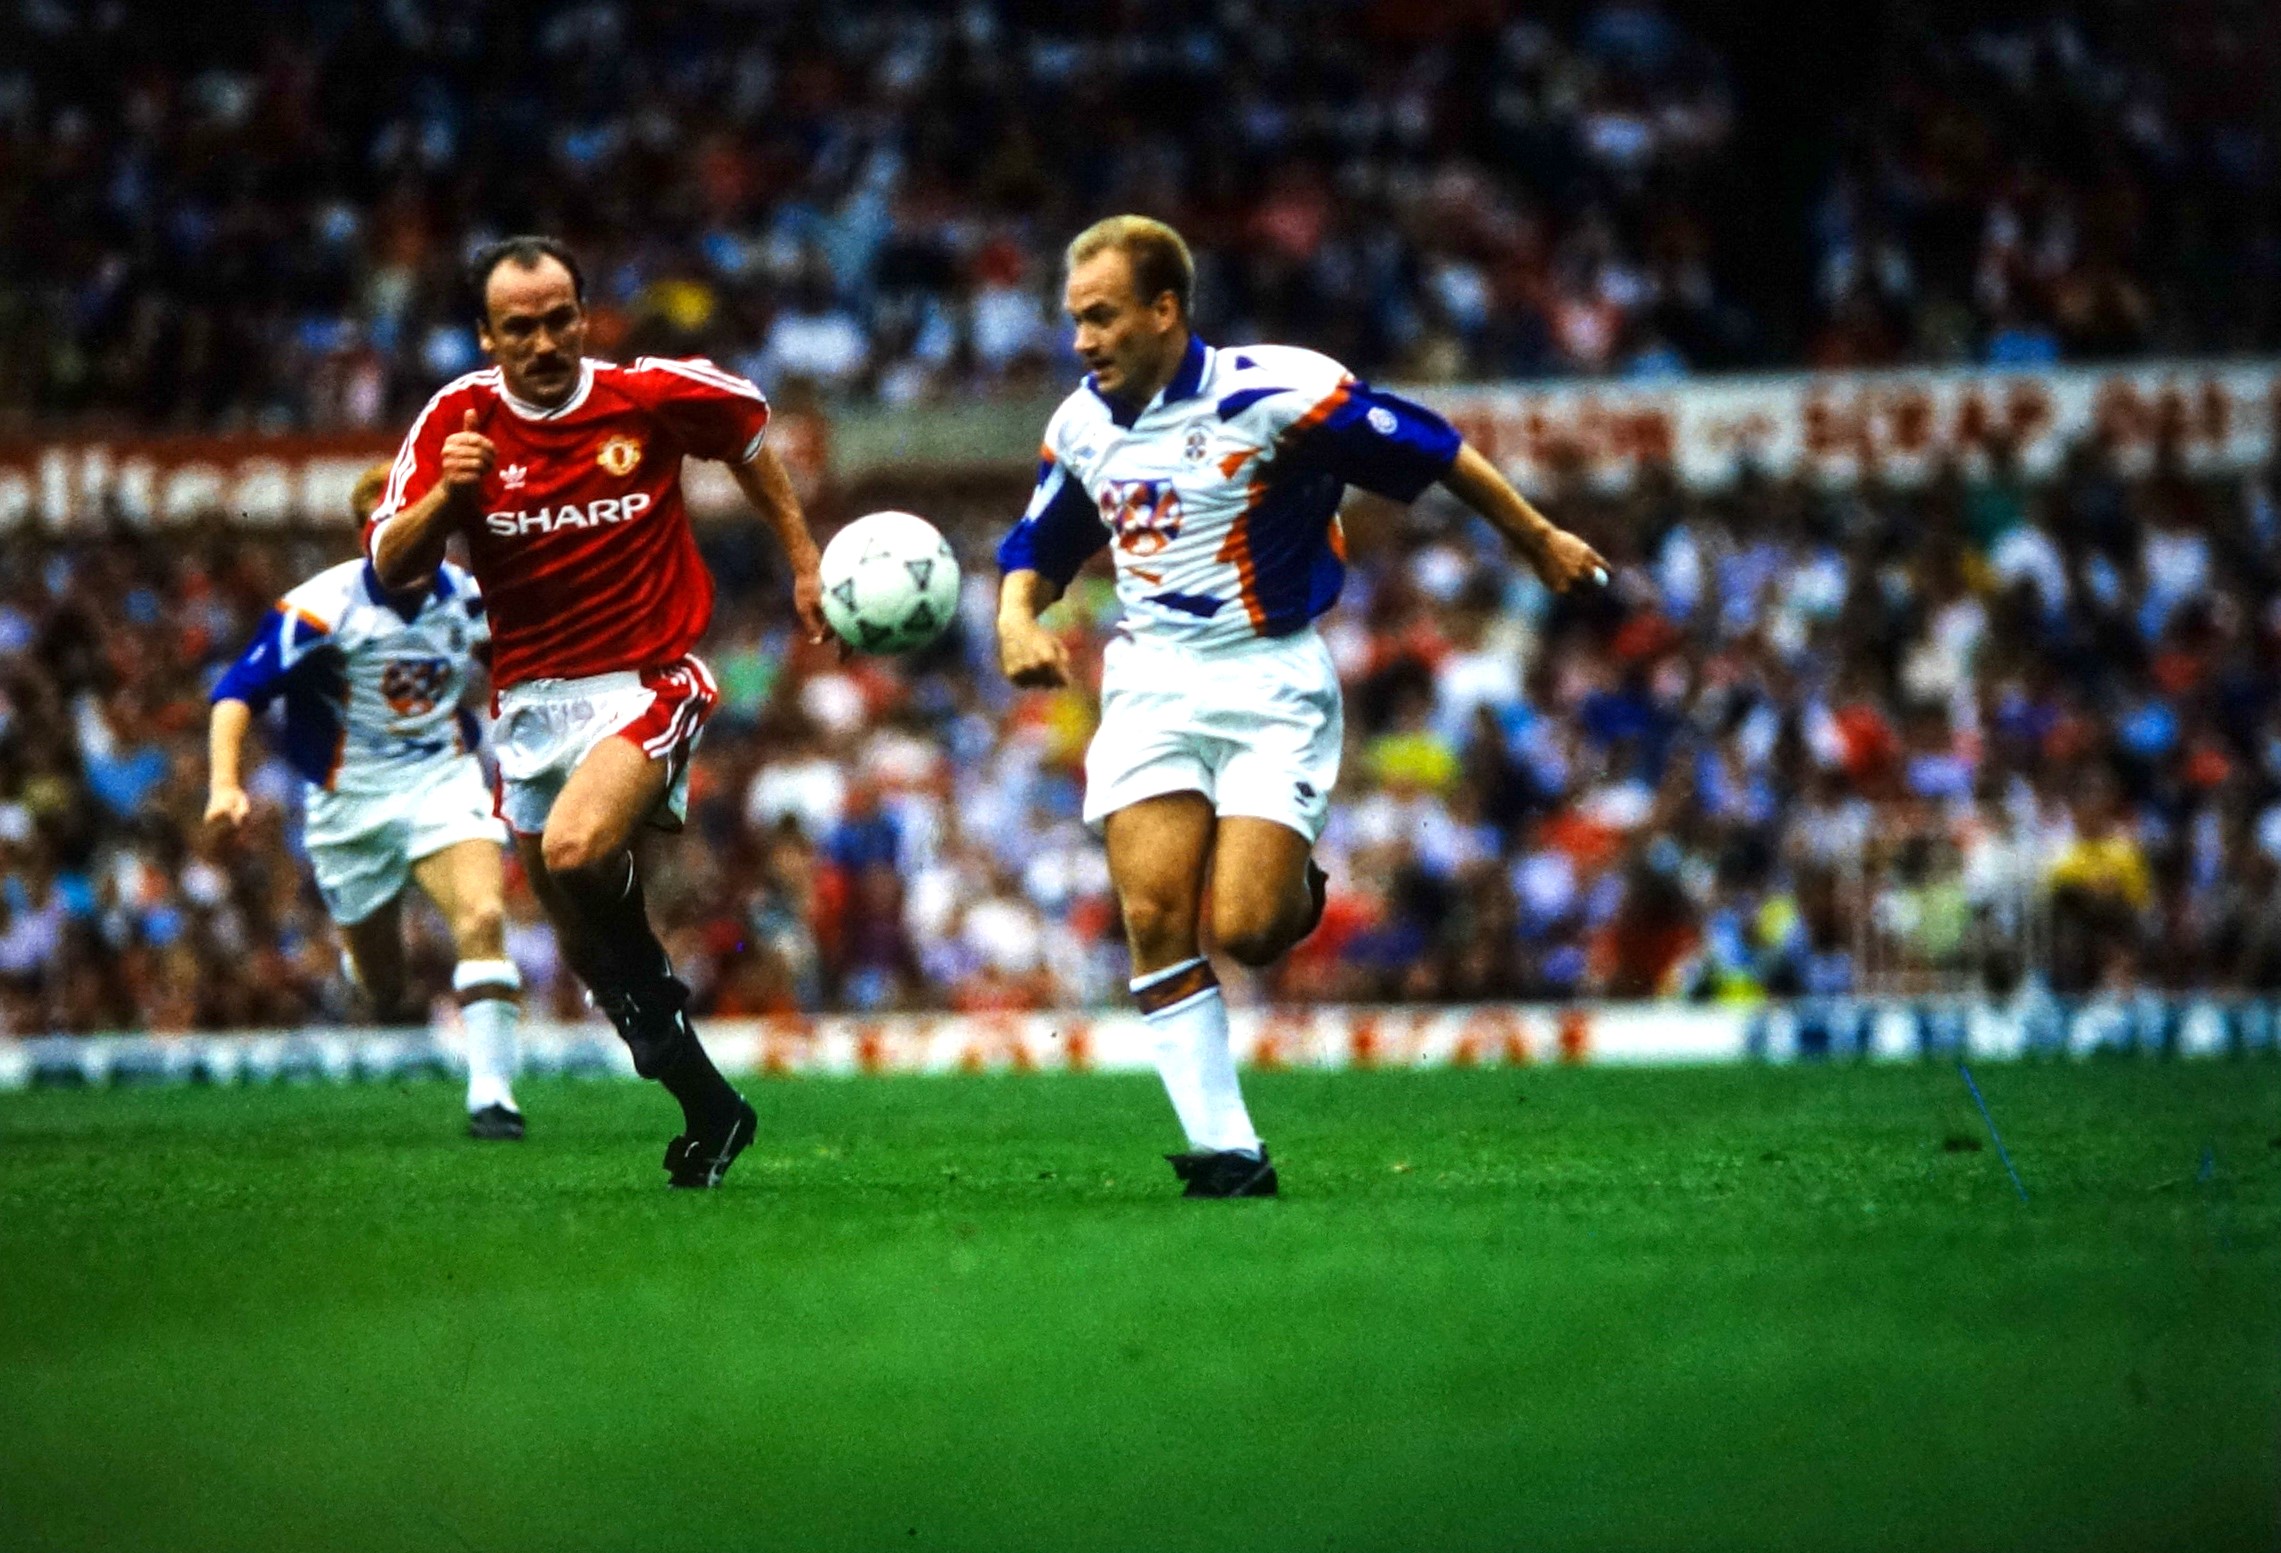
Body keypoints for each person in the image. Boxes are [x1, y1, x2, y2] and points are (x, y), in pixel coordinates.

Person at [996, 216, 1608, 1197]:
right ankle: (1229, 1154)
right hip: (1150, 678)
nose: (1082, 341)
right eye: (1074, 321)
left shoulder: (1275, 396)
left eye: (1101, 317)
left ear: (1165, 309)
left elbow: (1433, 447)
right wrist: (1013, 619)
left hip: (1268, 678)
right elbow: (1039, 536)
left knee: (1245, 928)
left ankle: (1290, 889)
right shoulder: (1081, 423)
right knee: (1152, 910)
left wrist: (1534, 538)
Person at [368, 235, 828, 1188]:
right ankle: (712, 1108)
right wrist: (447, 498)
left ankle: (658, 995)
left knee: (578, 853)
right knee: (580, 942)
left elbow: (746, 433)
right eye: (518, 327)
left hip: (648, 677)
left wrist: (806, 561)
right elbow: (389, 565)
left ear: (585, 317)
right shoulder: (456, 418)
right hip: (530, 704)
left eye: (557, 320)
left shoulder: (645, 393)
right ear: (486, 337)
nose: (542, 341)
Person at [208, 463, 526, 1138]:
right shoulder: (320, 607)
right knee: (384, 987)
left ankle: (493, 1098)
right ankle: (372, 967)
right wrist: (224, 784)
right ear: (368, 534)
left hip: (442, 778)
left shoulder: (468, 597)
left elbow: (514, 662)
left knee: (484, 914)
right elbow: (238, 692)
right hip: (348, 805)